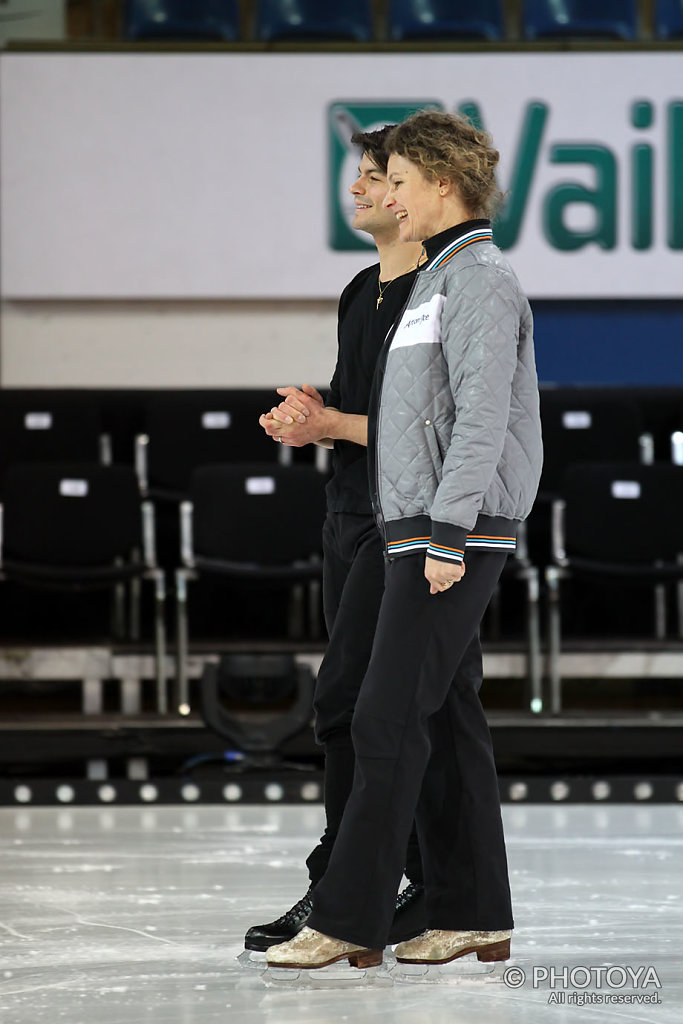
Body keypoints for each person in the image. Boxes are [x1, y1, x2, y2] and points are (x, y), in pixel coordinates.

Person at [266, 110, 543, 970]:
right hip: (409, 524)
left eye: (401, 182)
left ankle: (348, 916)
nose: (388, 194)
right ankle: (469, 912)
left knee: (383, 715)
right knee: (428, 712)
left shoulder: (482, 282)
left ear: (441, 184)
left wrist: (447, 531)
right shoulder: (435, 280)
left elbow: (481, 420)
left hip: (449, 527)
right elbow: (407, 419)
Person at [244, 127, 427, 953]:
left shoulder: (439, 290)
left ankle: (351, 884)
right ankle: (377, 876)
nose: (356, 190)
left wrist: (334, 423)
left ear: (408, 189)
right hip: (348, 512)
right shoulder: (361, 288)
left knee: (356, 706)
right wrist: (313, 423)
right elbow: (365, 417)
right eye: (356, 175)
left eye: (372, 176)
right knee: (347, 709)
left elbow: (428, 428)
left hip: (406, 520)